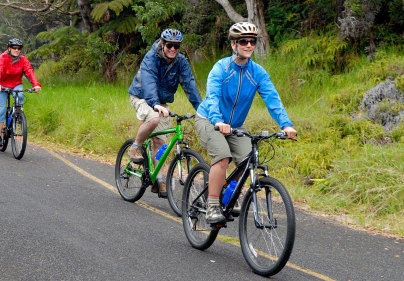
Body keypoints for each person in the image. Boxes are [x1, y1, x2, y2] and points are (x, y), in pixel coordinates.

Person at [194, 22, 297, 223]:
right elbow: (213, 97)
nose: (248, 45)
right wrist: (217, 121)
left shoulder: (257, 72)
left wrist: (286, 124)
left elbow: (272, 99)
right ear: (234, 44)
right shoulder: (221, 68)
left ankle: (228, 194)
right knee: (223, 156)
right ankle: (213, 205)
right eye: (243, 41)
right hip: (209, 119)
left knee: (246, 160)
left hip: (236, 125)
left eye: (252, 41)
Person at [127, 28, 202, 198]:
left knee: (160, 142)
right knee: (153, 119)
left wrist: (202, 111)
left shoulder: (181, 62)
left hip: (160, 102)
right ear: (162, 44)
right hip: (141, 96)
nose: (173, 49)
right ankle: (135, 147)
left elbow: (190, 86)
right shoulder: (151, 58)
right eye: (169, 45)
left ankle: (159, 179)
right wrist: (155, 104)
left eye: (176, 46)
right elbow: (148, 81)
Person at [0, 38, 41, 147]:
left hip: (15, 83)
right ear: (9, 48)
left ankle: (18, 115)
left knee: (21, 95)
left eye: (19, 48)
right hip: (1, 84)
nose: (17, 50)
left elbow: (29, 71)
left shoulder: (23, 59)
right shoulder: (2, 58)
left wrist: (36, 84)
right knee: (0, 111)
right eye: (14, 48)